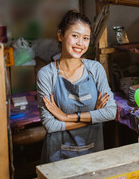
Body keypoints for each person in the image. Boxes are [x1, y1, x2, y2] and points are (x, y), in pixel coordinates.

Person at [37, 10, 117, 163]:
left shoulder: (95, 69)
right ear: (60, 35)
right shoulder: (46, 74)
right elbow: (50, 125)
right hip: (59, 156)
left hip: (93, 154)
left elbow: (111, 112)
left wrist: (66, 117)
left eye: (85, 38)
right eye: (75, 36)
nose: (80, 43)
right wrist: (94, 115)